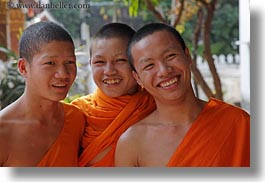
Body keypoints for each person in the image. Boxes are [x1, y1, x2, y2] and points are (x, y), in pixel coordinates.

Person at [115, 22, 250, 167]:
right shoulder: (132, 144)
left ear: (187, 56)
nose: (164, 71)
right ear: (138, 78)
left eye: (170, 56)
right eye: (149, 65)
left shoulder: (238, 122)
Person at [0, 21, 85, 167]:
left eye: (70, 62)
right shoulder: (3, 132)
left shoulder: (76, 119)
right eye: (50, 63)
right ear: (23, 68)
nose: (63, 74)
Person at [71, 23, 156, 167]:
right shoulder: (78, 113)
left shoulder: (156, 105)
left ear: (137, 63)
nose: (109, 71)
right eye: (100, 62)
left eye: (120, 60)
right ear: (90, 64)